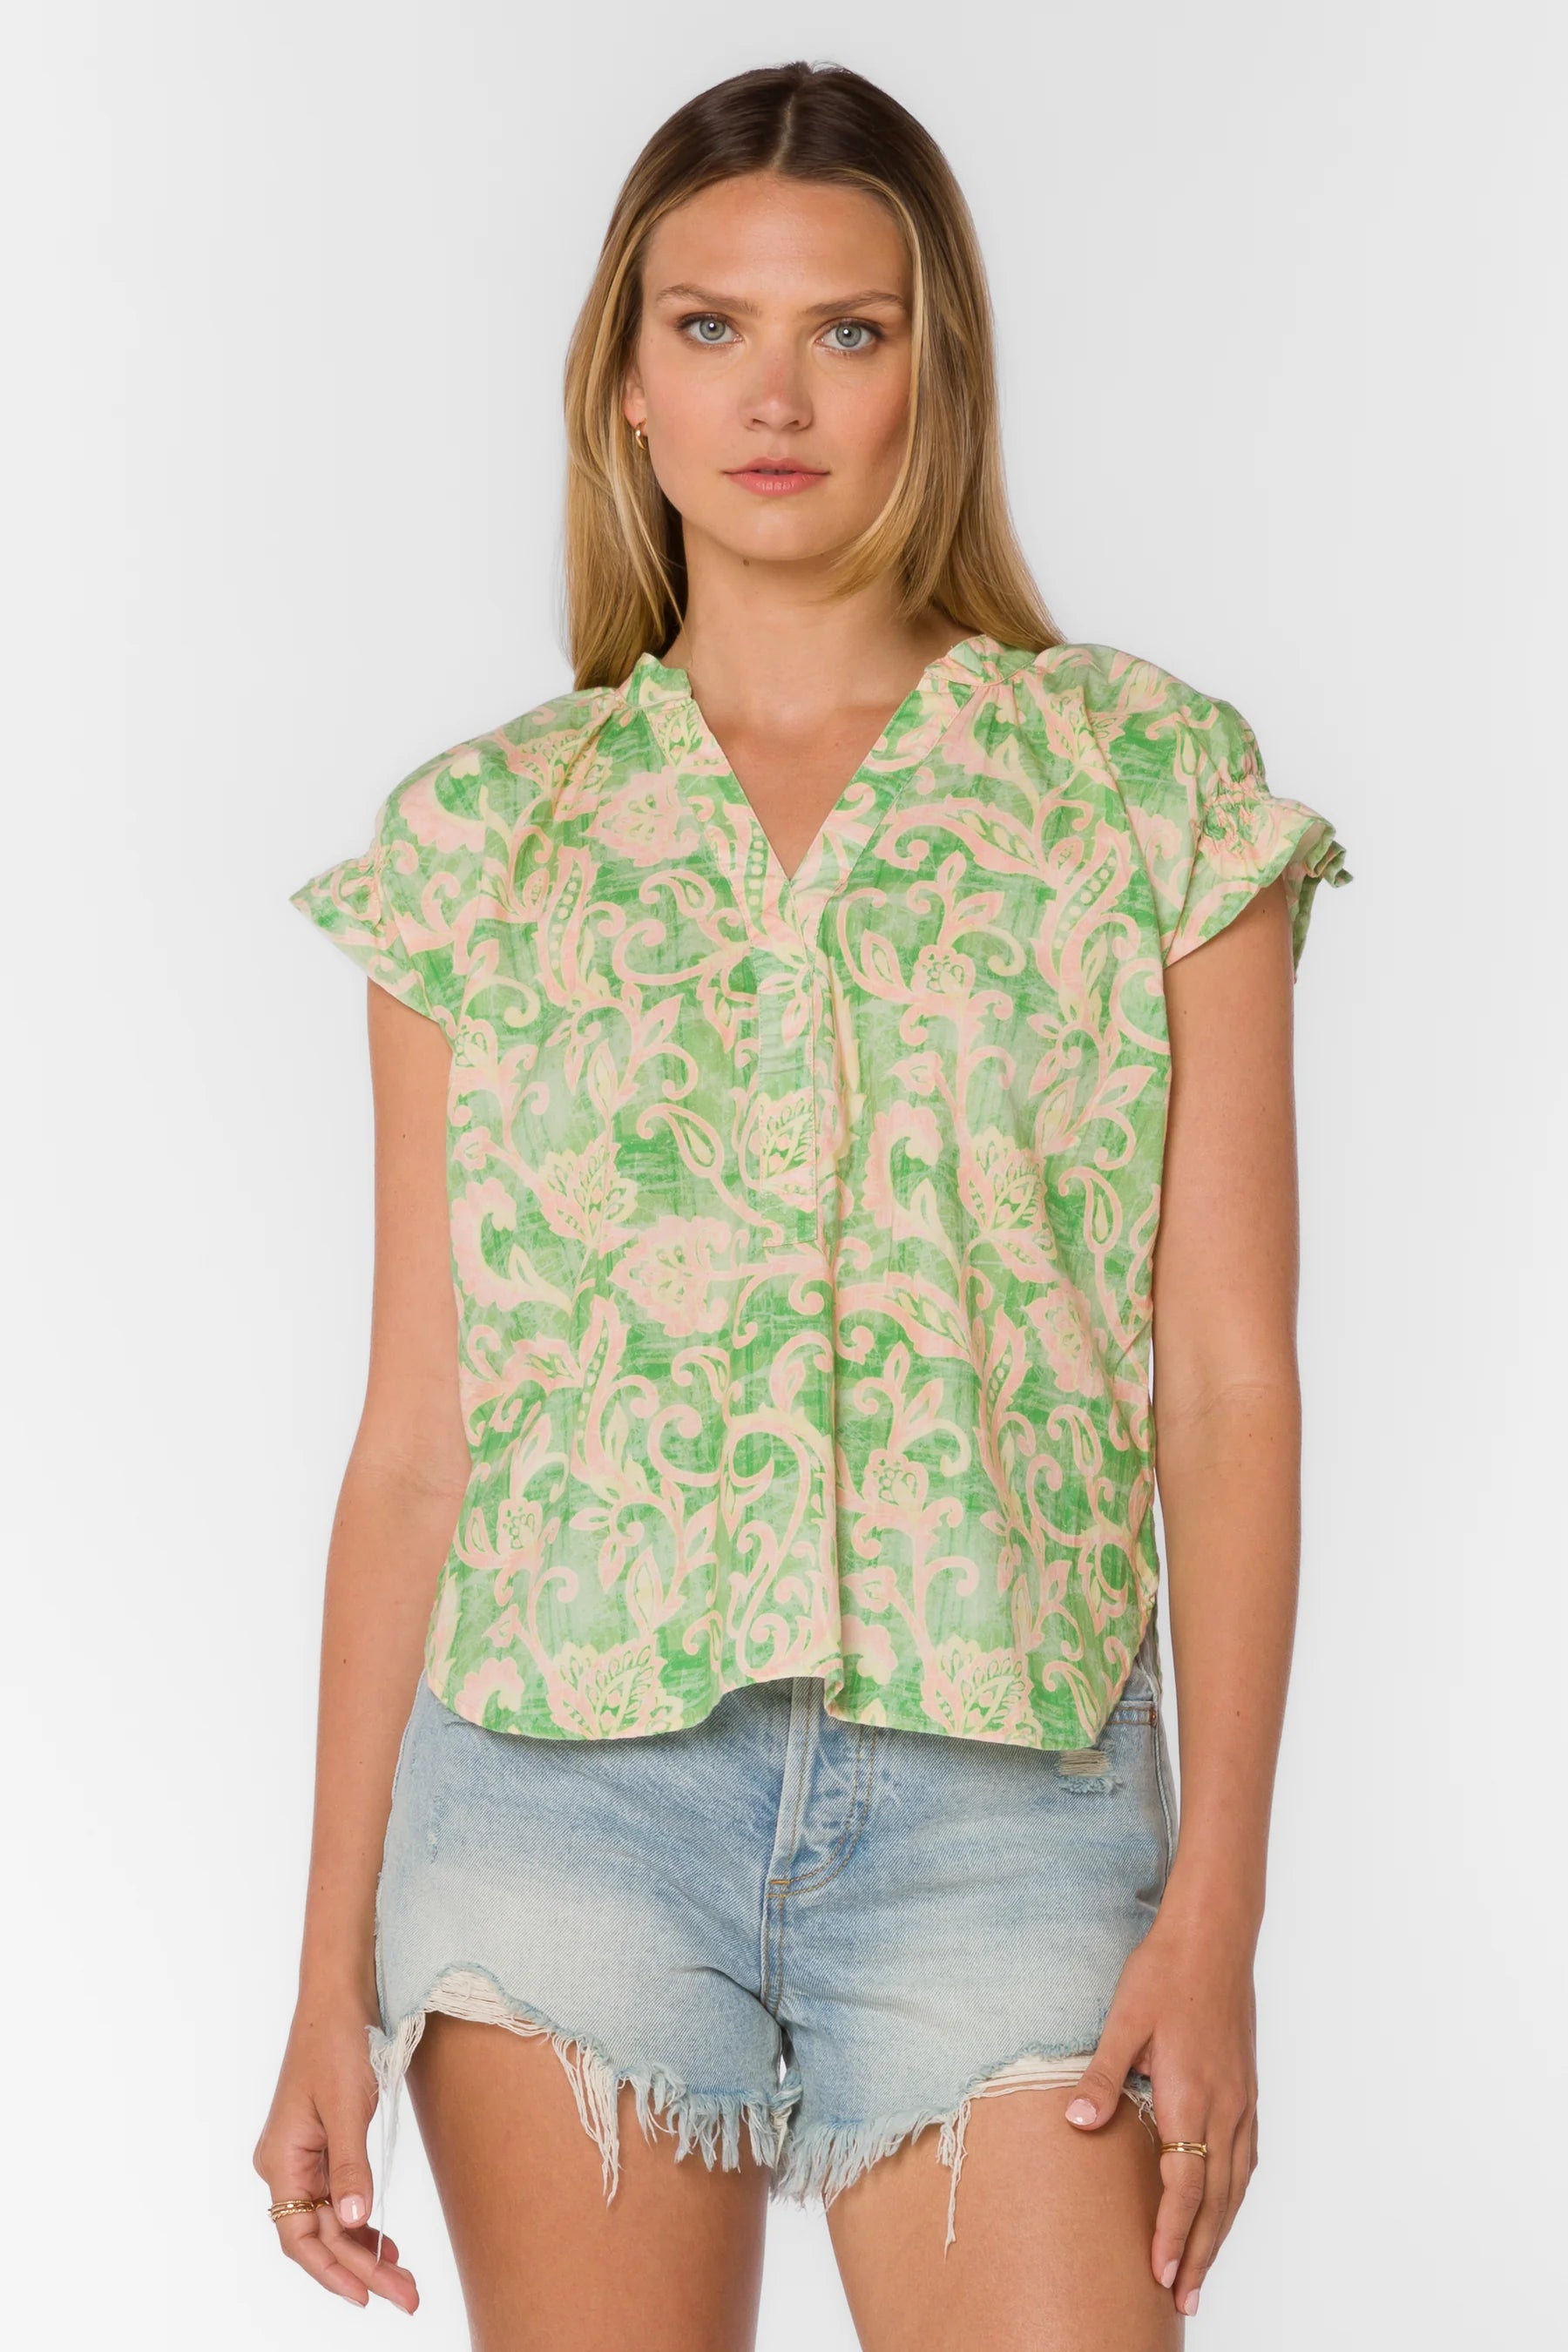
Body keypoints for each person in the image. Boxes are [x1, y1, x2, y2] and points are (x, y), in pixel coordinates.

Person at [253, 57, 1352, 2351]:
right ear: (627, 386)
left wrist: (1220, 1905)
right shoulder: (485, 843)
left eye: (850, 331)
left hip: (1011, 1807)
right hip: (558, 1803)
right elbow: (419, 1440)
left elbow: (1228, 1384)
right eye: (711, 327)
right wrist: (323, 1971)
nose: (777, 397)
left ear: (937, 379)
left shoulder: (1140, 788)